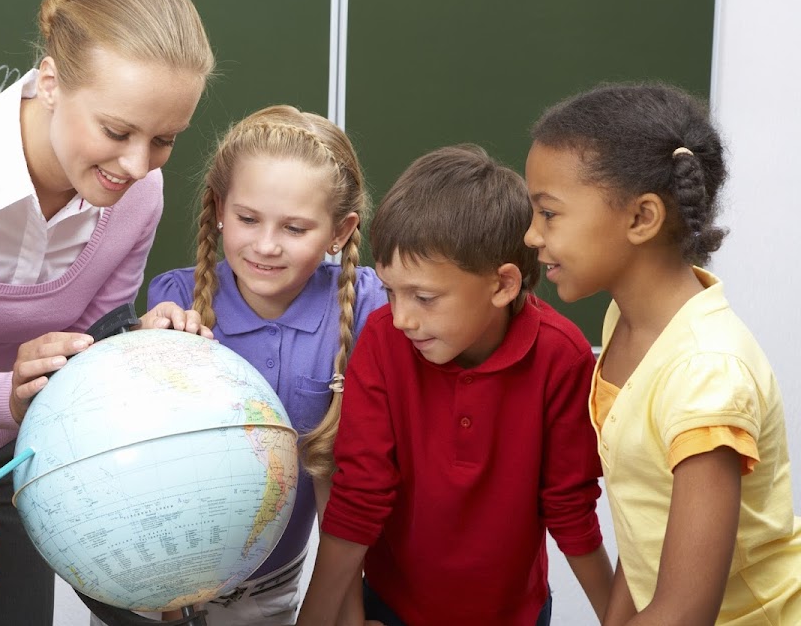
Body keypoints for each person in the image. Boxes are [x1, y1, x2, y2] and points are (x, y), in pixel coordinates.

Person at [0, 0, 215, 621]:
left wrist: (135, 348)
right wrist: (1, 392)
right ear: (51, 81)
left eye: (164, 139)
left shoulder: (138, 195)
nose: (138, 164)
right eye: (116, 131)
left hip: (15, 471)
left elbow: (91, 340)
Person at [297, 145, 613, 626]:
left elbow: (569, 506)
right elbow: (359, 495)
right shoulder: (383, 342)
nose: (401, 317)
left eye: (424, 297)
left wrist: (617, 617)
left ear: (503, 285)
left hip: (517, 615)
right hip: (393, 607)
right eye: (389, 290)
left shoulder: (562, 358)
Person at [524, 83, 801, 625]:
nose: (532, 235)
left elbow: (686, 611)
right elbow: (646, 521)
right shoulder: (627, 323)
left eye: (549, 214)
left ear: (641, 219)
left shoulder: (705, 374)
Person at [148, 105, 385, 625]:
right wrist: (140, 357)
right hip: (152, 587)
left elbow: (352, 483)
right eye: (247, 219)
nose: (266, 245)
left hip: (270, 591)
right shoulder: (174, 299)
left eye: (295, 228)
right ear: (218, 208)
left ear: (339, 231)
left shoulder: (371, 308)